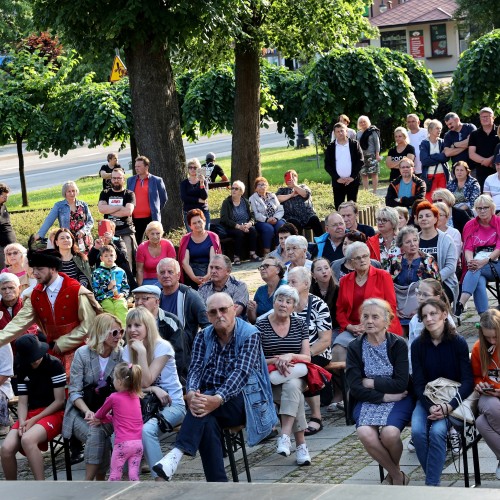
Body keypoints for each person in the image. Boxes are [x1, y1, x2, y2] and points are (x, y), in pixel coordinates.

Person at [153, 293, 277, 482]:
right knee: (206, 419)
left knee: (202, 408)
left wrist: (217, 398)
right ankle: (218, 485)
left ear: (234, 310)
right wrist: (193, 392)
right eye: (213, 312)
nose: (219, 315)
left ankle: (176, 454)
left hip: (242, 400)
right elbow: (194, 369)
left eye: (223, 310)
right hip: (207, 401)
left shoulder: (250, 334)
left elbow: (241, 374)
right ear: (208, 316)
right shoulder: (204, 336)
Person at [0, 248, 100, 375]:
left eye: (40, 269)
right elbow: (17, 324)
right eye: (33, 269)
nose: (35, 273)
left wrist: (63, 343)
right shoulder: (34, 295)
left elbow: (89, 324)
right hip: (52, 354)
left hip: (82, 353)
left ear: (53, 269)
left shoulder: (76, 291)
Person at [346, 298, 413, 486]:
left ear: (387, 320)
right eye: (365, 316)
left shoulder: (398, 344)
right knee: (365, 433)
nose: (369, 321)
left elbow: (401, 383)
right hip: (370, 400)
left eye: (375, 317)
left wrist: (371, 382)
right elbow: (355, 386)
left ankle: (392, 476)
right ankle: (398, 476)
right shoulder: (354, 347)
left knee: (390, 434)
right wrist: (383, 396)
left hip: (400, 398)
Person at [411, 299, 473, 487]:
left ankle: (431, 487)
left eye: (433, 313)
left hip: (452, 399)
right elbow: (418, 383)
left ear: (444, 314)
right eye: (424, 316)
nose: (429, 319)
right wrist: (432, 407)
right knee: (418, 433)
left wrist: (448, 406)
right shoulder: (418, 345)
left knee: (437, 432)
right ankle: (433, 484)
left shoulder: (458, 343)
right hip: (427, 400)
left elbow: (468, 381)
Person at [122, 307, 186, 481]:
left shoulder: (162, 347)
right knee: (117, 430)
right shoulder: (127, 350)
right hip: (143, 405)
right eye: (129, 326)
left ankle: (160, 479)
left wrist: (142, 353)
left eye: (137, 325)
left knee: (147, 430)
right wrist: (153, 389)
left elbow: (145, 381)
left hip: (173, 405)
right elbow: (127, 386)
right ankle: (127, 478)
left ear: (148, 327)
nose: (132, 330)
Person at [62, 313, 123, 480]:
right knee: (96, 433)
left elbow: (122, 390)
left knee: (97, 432)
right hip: (80, 411)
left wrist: (103, 415)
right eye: (115, 332)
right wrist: (88, 411)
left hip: (107, 413)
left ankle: (91, 483)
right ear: (102, 332)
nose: (119, 337)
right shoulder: (83, 354)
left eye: (121, 332)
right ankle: (96, 481)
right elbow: (74, 391)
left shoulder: (119, 354)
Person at [256, 285, 312, 464]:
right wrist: (276, 361)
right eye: (280, 300)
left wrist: (291, 356)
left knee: (294, 384)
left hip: (296, 372)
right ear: (274, 302)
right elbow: (256, 360)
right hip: (272, 380)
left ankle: (285, 435)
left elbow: (307, 358)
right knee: (294, 392)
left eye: (288, 302)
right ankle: (301, 446)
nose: (283, 304)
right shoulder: (260, 325)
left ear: (294, 306)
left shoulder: (300, 324)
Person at [1, 335, 65, 480]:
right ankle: (13, 488)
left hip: (54, 412)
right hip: (31, 413)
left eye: (36, 355)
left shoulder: (54, 364)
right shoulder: (22, 367)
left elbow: (59, 401)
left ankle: (39, 486)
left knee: (27, 439)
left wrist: (33, 420)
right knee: (6, 448)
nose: (35, 359)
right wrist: (23, 421)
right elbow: (23, 402)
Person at [335, 242, 402, 363]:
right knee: (338, 350)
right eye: (358, 258)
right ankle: (347, 382)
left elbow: (391, 306)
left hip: (380, 326)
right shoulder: (344, 280)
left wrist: (370, 326)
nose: (363, 260)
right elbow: (340, 309)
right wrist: (349, 326)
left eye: (365, 256)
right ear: (351, 261)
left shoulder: (383, 276)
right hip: (353, 328)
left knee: (370, 349)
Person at [288, 267, 332, 435]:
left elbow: (325, 340)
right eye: (288, 282)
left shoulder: (319, 305)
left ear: (306, 284)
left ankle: (316, 417)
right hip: (292, 354)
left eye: (293, 282)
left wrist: (305, 355)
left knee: (305, 368)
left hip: (317, 352)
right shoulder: (286, 304)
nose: (289, 285)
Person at [89, 362, 144, 481]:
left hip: (122, 445)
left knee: (115, 475)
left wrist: (98, 418)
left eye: (114, 378)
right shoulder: (136, 397)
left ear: (119, 382)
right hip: (138, 444)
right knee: (134, 475)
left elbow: (99, 414)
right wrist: (104, 420)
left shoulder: (114, 397)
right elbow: (121, 418)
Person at [132, 285, 190, 383]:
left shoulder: (171, 322)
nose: (139, 303)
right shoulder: (132, 323)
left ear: (157, 302)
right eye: (136, 299)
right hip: (140, 378)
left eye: (144, 298)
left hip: (168, 378)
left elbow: (179, 357)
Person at [389, 226, 440, 334]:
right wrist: (394, 309)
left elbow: (437, 288)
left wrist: (421, 309)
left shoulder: (428, 260)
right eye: (408, 242)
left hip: (424, 308)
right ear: (401, 245)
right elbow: (389, 287)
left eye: (415, 240)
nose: (413, 244)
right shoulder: (395, 261)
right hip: (400, 310)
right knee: (398, 338)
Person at [456, 195, 500, 316]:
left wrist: (485, 261)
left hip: (497, 263)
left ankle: (461, 302)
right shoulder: (470, 225)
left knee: (475, 270)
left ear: (492, 208)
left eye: (485, 207)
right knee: (478, 276)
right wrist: (470, 262)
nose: (482, 210)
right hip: (478, 264)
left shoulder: (498, 222)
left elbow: (499, 247)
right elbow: (468, 247)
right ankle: (485, 316)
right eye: (479, 208)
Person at [471, 309, 500, 480]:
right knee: (492, 407)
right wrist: (479, 385)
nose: (492, 340)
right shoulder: (478, 349)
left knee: (482, 423)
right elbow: (475, 376)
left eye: (495, 336)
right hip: (488, 397)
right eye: (488, 337)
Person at [157, 258, 210, 348]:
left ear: (178, 275)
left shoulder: (191, 296)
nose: (166, 275)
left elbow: (207, 325)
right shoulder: (156, 298)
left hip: (185, 351)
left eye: (170, 272)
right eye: (162, 272)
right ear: (157, 276)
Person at [415, 200, 458, 306]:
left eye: (428, 216)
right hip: (417, 283)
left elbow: (451, 267)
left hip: (443, 282)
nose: (424, 218)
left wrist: (433, 282)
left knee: (432, 301)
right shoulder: (413, 239)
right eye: (420, 217)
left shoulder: (446, 239)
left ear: (435, 219)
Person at [35, 181, 94, 253]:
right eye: (69, 191)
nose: (72, 193)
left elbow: (90, 221)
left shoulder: (83, 205)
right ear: (64, 193)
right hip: (68, 240)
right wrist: (40, 234)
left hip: (84, 239)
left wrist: (83, 231)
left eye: (73, 191)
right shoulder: (59, 206)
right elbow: (49, 221)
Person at [98, 167, 137, 271]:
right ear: (110, 179)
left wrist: (109, 209)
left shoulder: (129, 194)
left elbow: (128, 212)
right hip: (108, 232)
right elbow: (101, 209)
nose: (116, 180)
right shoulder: (105, 193)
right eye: (114, 178)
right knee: (107, 258)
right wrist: (120, 207)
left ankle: (129, 282)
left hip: (125, 230)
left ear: (123, 179)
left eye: (119, 178)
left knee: (127, 258)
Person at [126, 155, 168, 245]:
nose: (137, 168)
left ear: (146, 167)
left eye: (139, 166)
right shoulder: (130, 180)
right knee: (136, 243)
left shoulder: (157, 180)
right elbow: (128, 198)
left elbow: (163, 198)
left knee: (155, 241)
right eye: (136, 166)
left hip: (151, 218)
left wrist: (155, 209)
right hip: (135, 219)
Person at [178, 209, 222, 289]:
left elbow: (213, 260)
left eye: (199, 222)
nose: (197, 225)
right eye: (194, 223)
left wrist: (208, 276)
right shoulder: (185, 239)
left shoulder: (213, 237)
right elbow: (184, 263)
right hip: (192, 271)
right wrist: (194, 278)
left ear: (204, 222)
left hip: (210, 269)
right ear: (190, 226)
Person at [220, 180, 261, 265]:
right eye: (232, 188)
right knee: (239, 233)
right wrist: (238, 226)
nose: (233, 190)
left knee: (253, 230)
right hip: (231, 227)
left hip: (245, 225)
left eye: (236, 189)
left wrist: (249, 224)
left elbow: (252, 216)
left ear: (241, 192)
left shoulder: (245, 202)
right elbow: (224, 219)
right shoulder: (227, 202)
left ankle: (252, 254)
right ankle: (236, 256)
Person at [88, 220, 137, 290]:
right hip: (103, 277)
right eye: (102, 230)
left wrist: (111, 243)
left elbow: (123, 258)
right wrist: (95, 248)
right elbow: (90, 262)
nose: (105, 234)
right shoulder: (98, 243)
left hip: (118, 274)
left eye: (107, 231)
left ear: (113, 232)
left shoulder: (118, 241)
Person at [324, 122, 364, 208]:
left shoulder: (354, 144)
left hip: (352, 181)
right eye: (337, 131)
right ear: (334, 133)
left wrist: (352, 177)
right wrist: (337, 178)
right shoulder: (330, 147)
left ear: (346, 131)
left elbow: (360, 161)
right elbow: (327, 165)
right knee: (339, 207)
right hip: (338, 182)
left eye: (342, 131)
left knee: (352, 207)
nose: (340, 133)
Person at [276, 170, 323, 237]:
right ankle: (298, 244)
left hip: (307, 216)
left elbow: (305, 194)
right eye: (289, 177)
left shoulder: (303, 186)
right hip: (291, 217)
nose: (291, 178)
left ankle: (322, 242)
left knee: (314, 219)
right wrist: (290, 195)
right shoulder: (282, 190)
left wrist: (294, 186)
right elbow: (276, 199)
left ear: (297, 178)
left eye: (293, 176)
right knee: (294, 224)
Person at [92, 245, 130, 325]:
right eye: (106, 256)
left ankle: (122, 331)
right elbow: (95, 291)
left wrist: (122, 294)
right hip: (104, 298)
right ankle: (111, 332)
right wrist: (107, 288)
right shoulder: (97, 272)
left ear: (115, 257)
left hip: (118, 297)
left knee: (121, 306)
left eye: (111, 255)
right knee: (109, 309)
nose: (109, 258)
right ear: (101, 258)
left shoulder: (121, 271)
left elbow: (125, 287)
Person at [249, 176, 286, 255]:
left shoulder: (272, 195)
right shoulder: (252, 198)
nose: (262, 186)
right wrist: (266, 220)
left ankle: (278, 250)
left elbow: (280, 209)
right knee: (268, 229)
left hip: (275, 219)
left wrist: (275, 218)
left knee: (280, 226)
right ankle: (267, 252)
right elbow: (255, 214)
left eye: (264, 184)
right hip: (261, 221)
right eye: (260, 185)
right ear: (256, 188)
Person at [247, 257, 286, 324]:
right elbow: (253, 321)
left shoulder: (285, 288)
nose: (262, 269)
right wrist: (251, 310)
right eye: (261, 267)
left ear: (278, 270)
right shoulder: (260, 290)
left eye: (266, 266)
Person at [136, 221, 176, 285]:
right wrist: (140, 288)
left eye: (158, 233)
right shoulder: (141, 247)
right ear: (147, 234)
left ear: (162, 234)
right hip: (147, 280)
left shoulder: (168, 244)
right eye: (152, 234)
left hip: (165, 278)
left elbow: (174, 267)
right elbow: (139, 270)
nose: (155, 236)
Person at [469, 107, 499, 191]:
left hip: (498, 169)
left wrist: (491, 160)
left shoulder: (499, 131)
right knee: (484, 196)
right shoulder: (474, 134)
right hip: (481, 171)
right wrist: (484, 161)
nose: (484, 118)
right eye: (482, 117)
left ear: (493, 118)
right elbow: (471, 154)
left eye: (487, 116)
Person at [420, 119, 450, 202]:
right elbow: (425, 160)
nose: (439, 130)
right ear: (430, 130)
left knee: (443, 199)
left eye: (440, 128)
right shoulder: (424, 143)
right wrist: (439, 156)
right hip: (429, 176)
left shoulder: (443, 142)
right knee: (430, 200)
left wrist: (432, 157)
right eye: (437, 128)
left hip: (443, 175)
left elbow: (446, 158)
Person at [367, 206, 401, 271]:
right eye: (379, 219)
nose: (380, 222)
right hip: (378, 279)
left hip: (400, 280)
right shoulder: (371, 242)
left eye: (384, 220)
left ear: (393, 222)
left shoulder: (402, 240)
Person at [180, 158, 210, 230]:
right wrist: (198, 200)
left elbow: (204, 197)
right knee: (192, 235)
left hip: (202, 211)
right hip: (189, 211)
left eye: (195, 167)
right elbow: (184, 198)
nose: (192, 169)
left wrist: (201, 183)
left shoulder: (203, 181)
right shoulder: (184, 183)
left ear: (199, 169)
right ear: (188, 169)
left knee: (205, 233)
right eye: (190, 167)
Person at [356, 116, 381, 194]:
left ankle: (374, 191)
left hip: (372, 155)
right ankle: (366, 192)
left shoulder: (373, 131)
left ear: (368, 122)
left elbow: (377, 144)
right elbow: (357, 145)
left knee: (374, 173)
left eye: (364, 121)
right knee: (363, 174)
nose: (363, 123)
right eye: (361, 122)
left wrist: (377, 154)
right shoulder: (358, 133)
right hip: (362, 156)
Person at [434, 202, 462, 268]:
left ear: (447, 216)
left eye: (440, 215)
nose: (437, 218)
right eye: (435, 215)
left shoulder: (454, 233)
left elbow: (455, 256)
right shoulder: (426, 232)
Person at [0, 183, 16, 270]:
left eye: (7, 195)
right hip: (2, 247)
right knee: (3, 271)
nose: (6, 198)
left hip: (11, 244)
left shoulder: (3, 206)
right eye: (4, 196)